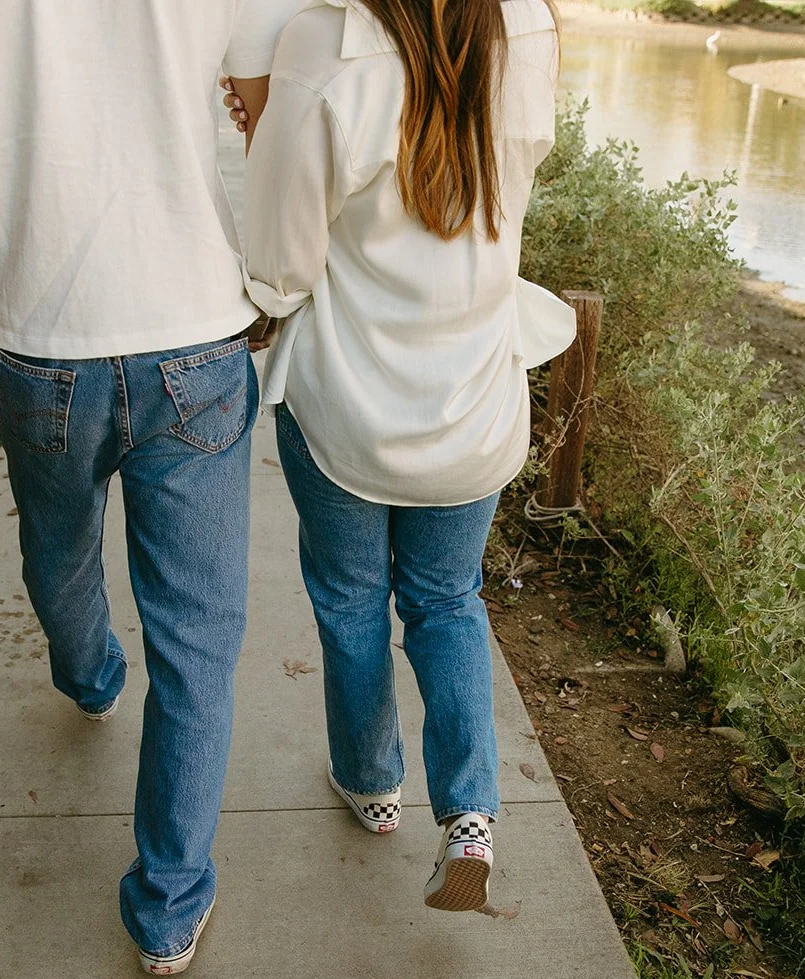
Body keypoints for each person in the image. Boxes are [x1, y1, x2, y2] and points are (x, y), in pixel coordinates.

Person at [0, 0, 293, 975]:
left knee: (56, 541)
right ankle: (169, 907)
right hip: (194, 328)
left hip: (36, 339)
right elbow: (269, 126)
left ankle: (89, 674)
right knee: (199, 637)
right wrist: (280, 280)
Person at [236, 0, 573, 911]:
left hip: (348, 404)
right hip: (473, 399)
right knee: (445, 600)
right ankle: (469, 816)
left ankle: (373, 784)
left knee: (350, 600)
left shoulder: (324, 44)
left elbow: (281, 259)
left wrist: (270, 125)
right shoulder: (528, 27)